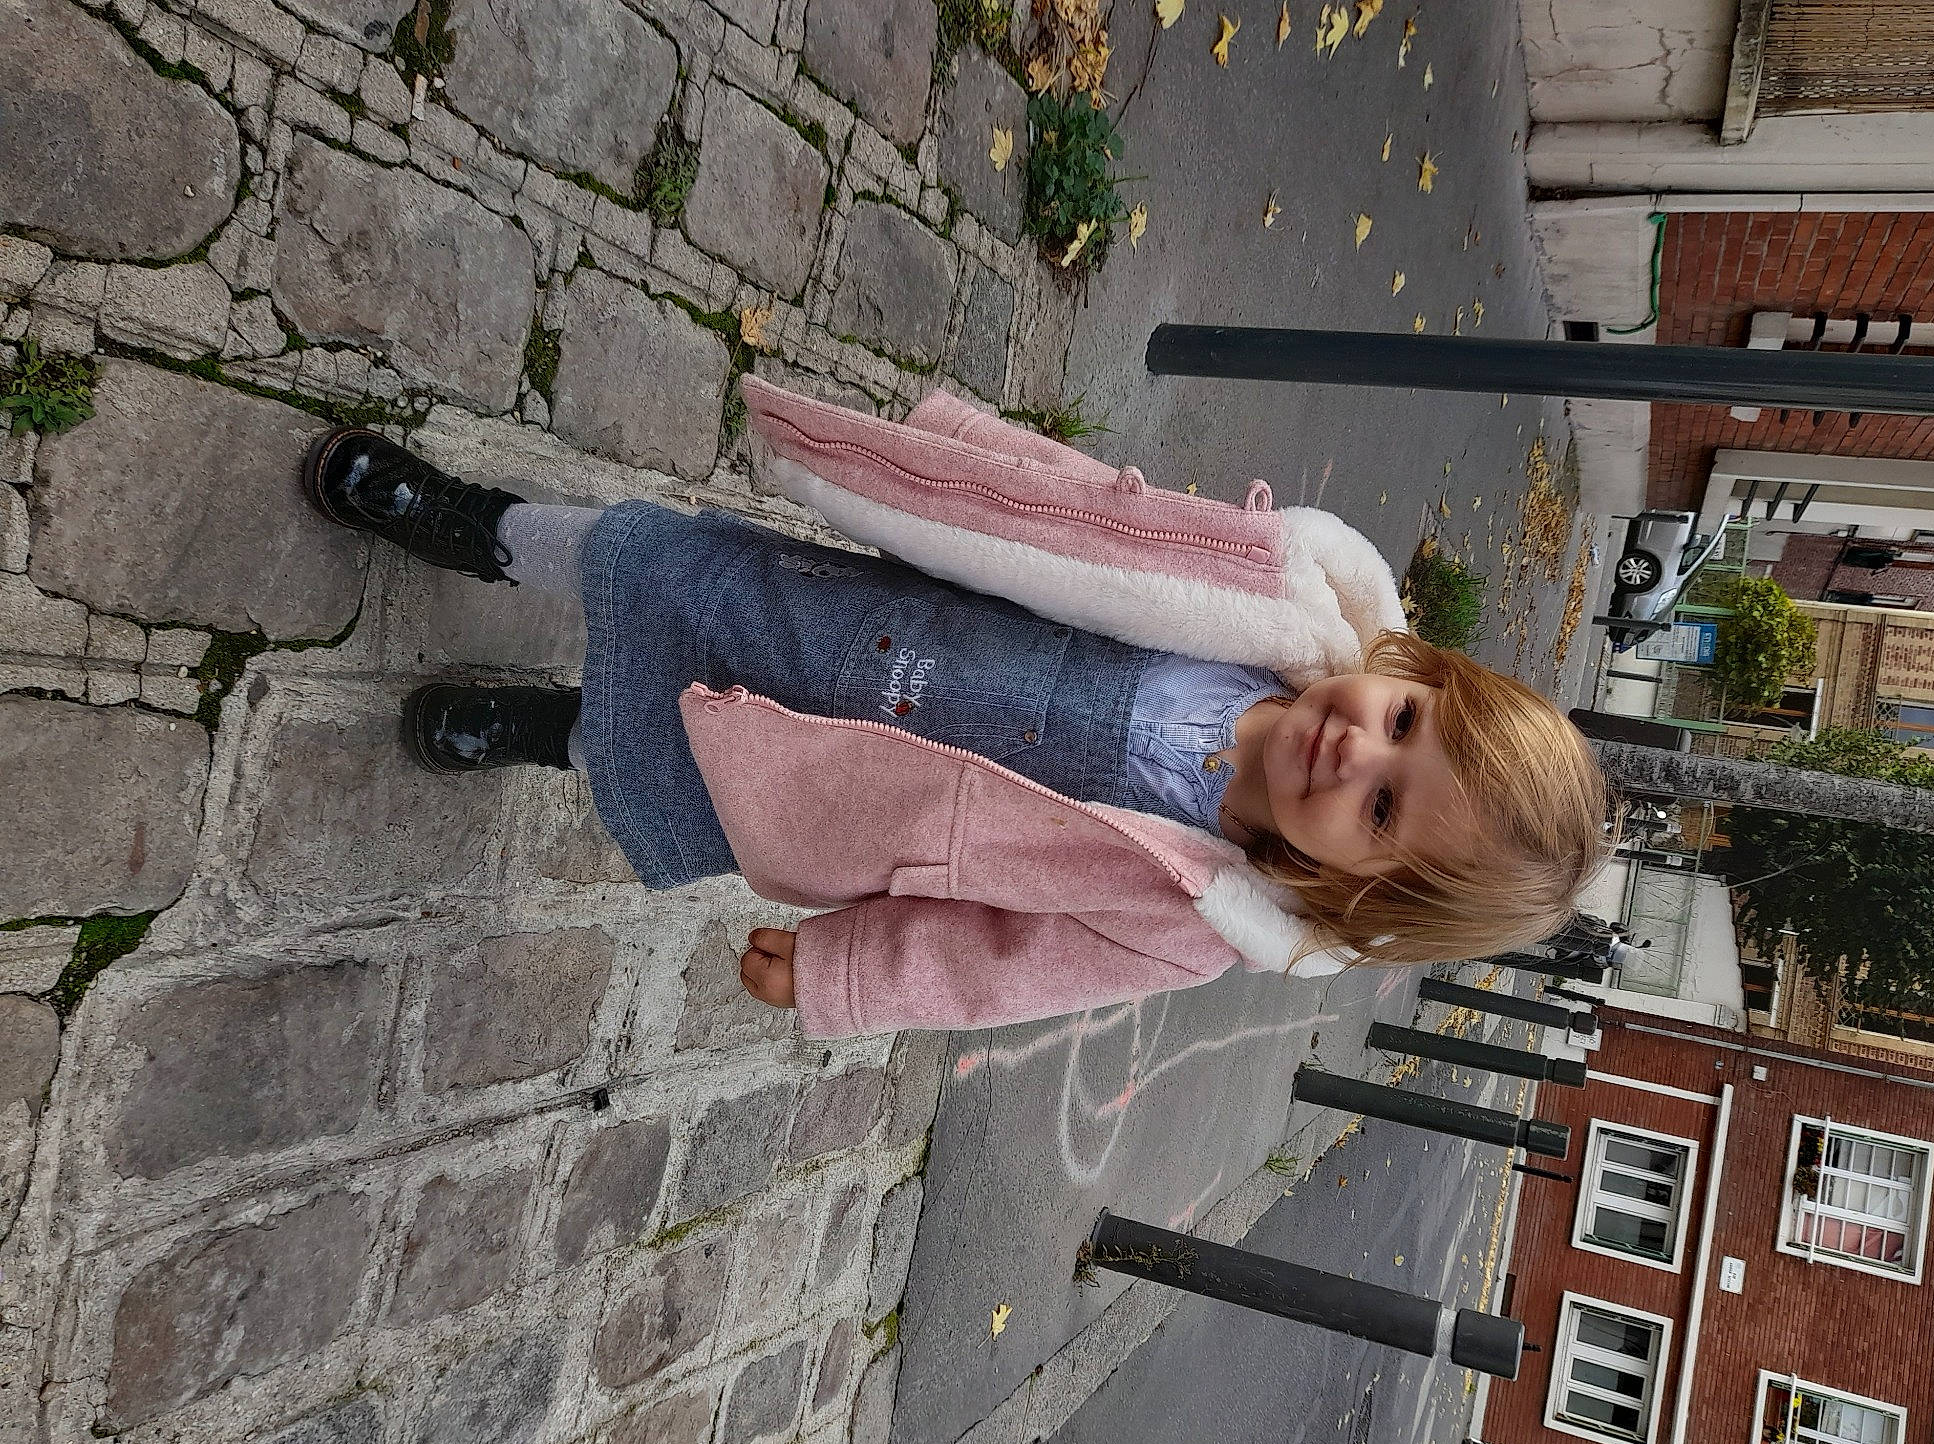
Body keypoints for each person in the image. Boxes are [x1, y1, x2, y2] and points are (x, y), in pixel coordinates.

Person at [300, 376, 1611, 1037]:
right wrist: (964, 455)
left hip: (852, 787)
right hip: (850, 621)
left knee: (671, 753)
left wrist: (849, 973)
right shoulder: (1262, 607)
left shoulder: (1195, 921)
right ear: (1420, 679)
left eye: (1382, 810)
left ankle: (546, 729)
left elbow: (1003, 967)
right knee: (659, 565)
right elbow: (1094, 521)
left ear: (1366, 895)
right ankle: (484, 530)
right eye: (1404, 726)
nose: (1355, 751)